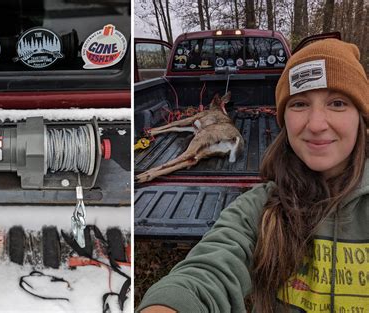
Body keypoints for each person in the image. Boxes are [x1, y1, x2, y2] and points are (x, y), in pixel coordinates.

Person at [136, 37, 369, 313]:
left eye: (338, 103)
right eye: (299, 104)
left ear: (362, 117)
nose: (317, 124)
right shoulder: (261, 207)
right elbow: (209, 270)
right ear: (283, 117)